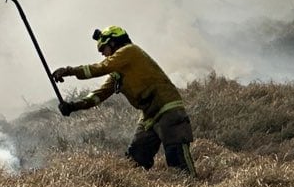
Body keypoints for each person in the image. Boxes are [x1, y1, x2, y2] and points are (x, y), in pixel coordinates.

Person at [51, 26, 196, 176]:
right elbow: (98, 95)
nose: (103, 54)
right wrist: (73, 106)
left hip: (168, 109)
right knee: (134, 160)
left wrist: (69, 71)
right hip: (149, 116)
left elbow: (101, 68)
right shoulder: (118, 73)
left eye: (103, 49)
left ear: (113, 43)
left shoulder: (129, 51)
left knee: (177, 158)